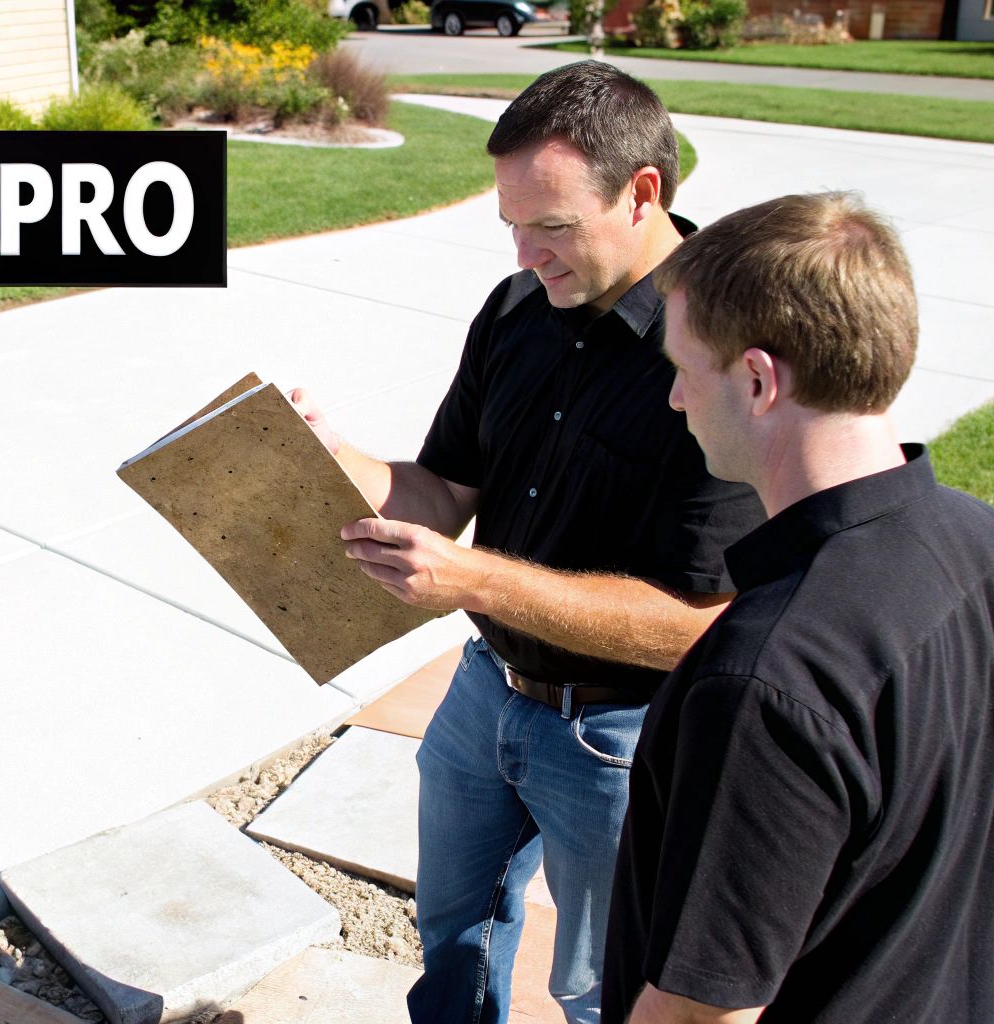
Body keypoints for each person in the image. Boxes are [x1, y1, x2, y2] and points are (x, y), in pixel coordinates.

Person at [288, 62, 764, 1024]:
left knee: (603, 989)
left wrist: (473, 580)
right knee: (453, 936)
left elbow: (697, 625)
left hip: (620, 740)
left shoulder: (726, 351)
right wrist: (333, 459)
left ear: (643, 194)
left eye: (551, 226)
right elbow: (443, 489)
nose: (525, 252)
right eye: (511, 222)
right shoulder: (514, 313)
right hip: (485, 693)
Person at [603, 192, 994, 1024]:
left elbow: (702, 1010)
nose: (673, 400)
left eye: (680, 369)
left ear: (756, 379)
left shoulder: (767, 679)